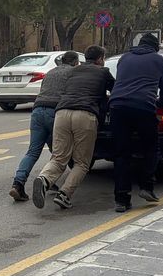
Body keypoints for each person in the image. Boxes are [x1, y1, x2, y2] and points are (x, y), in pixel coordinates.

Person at [32, 45, 114, 210]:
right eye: (103, 58)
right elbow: (116, 90)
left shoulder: (73, 71)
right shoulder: (103, 72)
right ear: (99, 59)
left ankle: (44, 179)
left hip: (61, 113)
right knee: (82, 163)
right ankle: (64, 194)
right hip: (85, 115)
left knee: (58, 157)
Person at [108, 33, 163, 212]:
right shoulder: (159, 61)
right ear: (155, 47)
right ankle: (146, 187)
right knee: (151, 148)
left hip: (117, 106)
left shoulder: (124, 58)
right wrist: (161, 104)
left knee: (121, 154)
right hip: (143, 106)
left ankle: (121, 199)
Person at [9, 51, 80, 201]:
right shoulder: (74, 72)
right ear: (75, 62)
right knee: (60, 153)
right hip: (56, 112)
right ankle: (51, 180)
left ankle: (18, 184)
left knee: (33, 151)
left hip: (38, 110)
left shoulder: (50, 72)